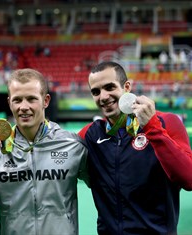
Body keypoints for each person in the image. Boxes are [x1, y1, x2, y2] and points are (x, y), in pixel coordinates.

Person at [0, 68, 89, 235]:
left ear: (46, 101)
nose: (24, 107)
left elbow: (106, 189)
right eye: (17, 100)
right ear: (9, 103)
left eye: (31, 99)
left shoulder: (72, 145)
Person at [78, 61, 192, 234]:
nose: (103, 96)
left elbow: (189, 178)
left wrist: (152, 128)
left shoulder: (166, 122)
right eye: (96, 91)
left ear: (127, 87)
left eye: (110, 87)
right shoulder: (90, 135)